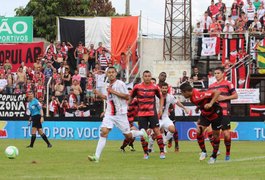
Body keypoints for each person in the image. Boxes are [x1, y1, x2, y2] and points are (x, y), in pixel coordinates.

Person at [88, 67, 148, 163]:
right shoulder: (106, 85)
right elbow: (107, 98)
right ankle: (96, 157)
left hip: (120, 114)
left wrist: (113, 91)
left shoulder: (120, 84)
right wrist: (98, 94)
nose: (111, 74)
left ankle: (141, 133)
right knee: (103, 132)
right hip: (109, 113)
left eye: (113, 72)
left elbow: (127, 96)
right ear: (107, 74)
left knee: (128, 136)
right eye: (109, 72)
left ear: (116, 73)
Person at [180, 83, 222, 164]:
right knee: (199, 131)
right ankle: (204, 151)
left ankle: (214, 156)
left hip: (216, 113)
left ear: (186, 92)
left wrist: (211, 103)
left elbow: (217, 92)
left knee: (216, 136)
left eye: (182, 92)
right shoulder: (192, 97)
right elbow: (202, 102)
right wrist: (198, 107)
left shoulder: (199, 95)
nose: (182, 94)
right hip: (205, 114)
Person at [130, 70, 165, 159]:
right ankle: (146, 153)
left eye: (149, 76)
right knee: (143, 133)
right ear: (143, 77)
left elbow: (161, 97)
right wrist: (127, 106)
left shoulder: (155, 87)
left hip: (152, 113)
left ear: (151, 76)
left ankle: (162, 152)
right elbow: (131, 97)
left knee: (157, 131)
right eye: (145, 76)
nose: (147, 77)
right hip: (141, 114)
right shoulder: (137, 87)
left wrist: (160, 109)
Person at [208, 66, 238, 161]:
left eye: (218, 73)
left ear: (223, 74)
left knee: (226, 134)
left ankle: (228, 153)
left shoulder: (228, 84)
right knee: (213, 134)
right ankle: (215, 153)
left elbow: (235, 96)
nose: (216, 75)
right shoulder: (211, 86)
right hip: (214, 113)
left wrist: (224, 98)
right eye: (215, 73)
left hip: (224, 112)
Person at [149, 82, 189, 153]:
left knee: (172, 129)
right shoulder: (155, 96)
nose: (164, 89)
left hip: (165, 117)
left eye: (165, 88)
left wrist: (184, 108)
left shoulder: (170, 96)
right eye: (163, 88)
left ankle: (164, 141)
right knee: (155, 134)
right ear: (160, 88)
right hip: (157, 118)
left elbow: (177, 102)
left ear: (167, 89)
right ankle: (150, 147)